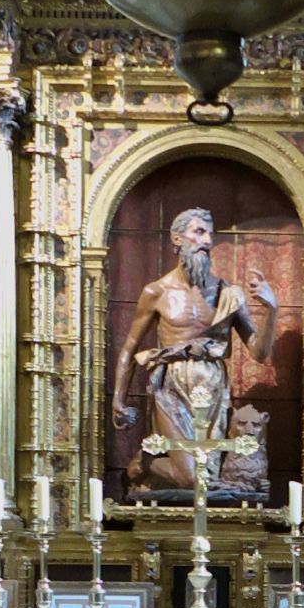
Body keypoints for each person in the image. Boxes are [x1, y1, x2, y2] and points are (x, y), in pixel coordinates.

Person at [111, 207, 277, 496]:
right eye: (199, 232)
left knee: (206, 477)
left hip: (212, 387)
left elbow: (259, 353)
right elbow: (128, 350)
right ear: (177, 239)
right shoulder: (157, 292)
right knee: (192, 479)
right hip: (170, 387)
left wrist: (271, 310)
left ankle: (154, 462)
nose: (207, 241)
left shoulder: (228, 293)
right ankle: (143, 463)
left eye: (210, 234)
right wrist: (118, 401)